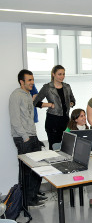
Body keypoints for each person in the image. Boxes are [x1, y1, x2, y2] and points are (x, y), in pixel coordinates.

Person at [9, 69, 48, 208]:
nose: (32, 82)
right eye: (29, 80)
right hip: (23, 138)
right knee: (26, 171)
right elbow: (15, 119)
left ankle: (33, 195)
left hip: (32, 135)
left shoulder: (27, 95)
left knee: (36, 168)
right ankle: (27, 201)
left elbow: (29, 118)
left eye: (33, 79)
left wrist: (34, 136)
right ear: (22, 81)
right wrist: (25, 137)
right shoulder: (16, 95)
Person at [33, 65, 75, 150]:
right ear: (53, 74)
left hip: (66, 121)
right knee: (54, 148)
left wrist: (70, 103)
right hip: (53, 122)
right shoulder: (47, 87)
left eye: (63, 74)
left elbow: (73, 99)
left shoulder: (67, 86)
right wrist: (49, 105)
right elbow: (35, 102)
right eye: (59, 74)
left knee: (66, 147)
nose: (62, 76)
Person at [65, 109, 92, 208]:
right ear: (75, 119)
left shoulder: (88, 129)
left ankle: (91, 197)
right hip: (73, 159)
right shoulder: (68, 130)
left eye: (84, 115)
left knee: (90, 173)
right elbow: (67, 147)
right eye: (81, 116)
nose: (84, 118)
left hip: (87, 158)